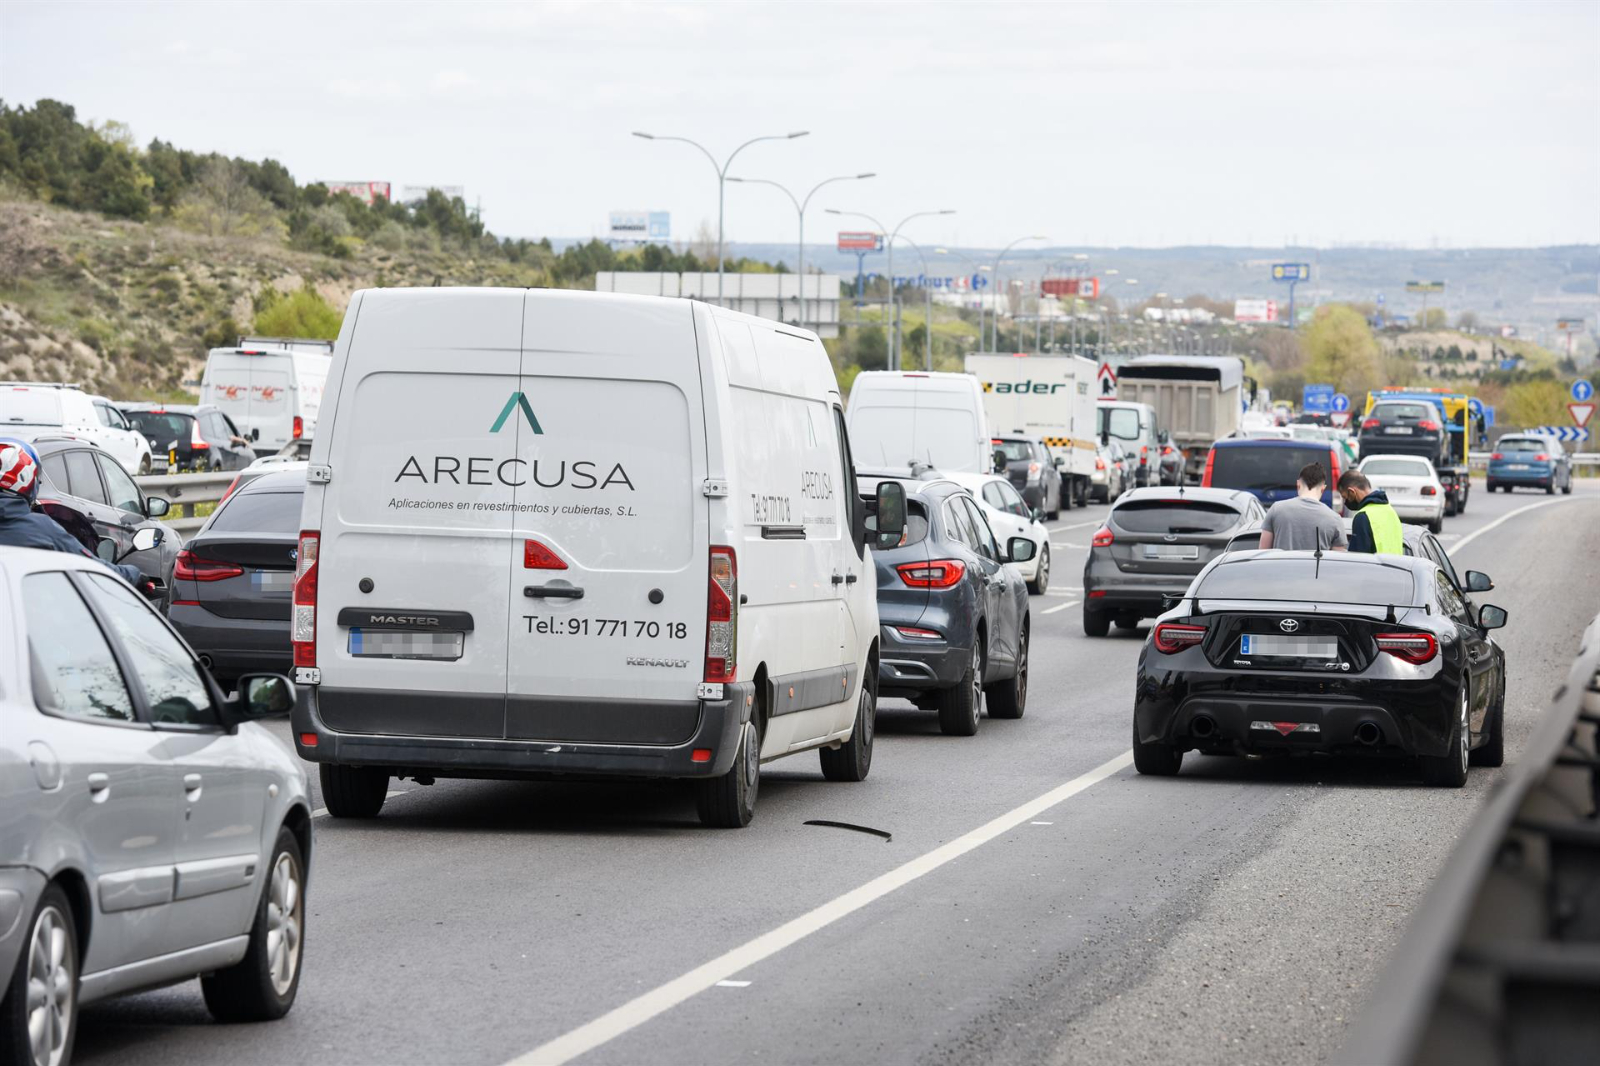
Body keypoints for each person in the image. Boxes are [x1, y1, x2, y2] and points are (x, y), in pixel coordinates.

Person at [0, 438, 146, 583]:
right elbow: (93, 568)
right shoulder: (42, 529)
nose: (39, 482)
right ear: (24, 476)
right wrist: (133, 574)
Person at [1259, 461, 1347, 551]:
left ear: (1298, 485)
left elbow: (1263, 552)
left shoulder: (1276, 509)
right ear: (1323, 489)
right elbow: (1339, 560)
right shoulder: (1335, 519)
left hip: (1282, 565)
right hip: (1317, 565)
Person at [1338, 469, 1404, 555]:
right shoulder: (1390, 511)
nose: (1345, 502)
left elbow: (1356, 558)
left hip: (1376, 568)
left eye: (1345, 497)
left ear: (1352, 492)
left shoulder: (1363, 516)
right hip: (1397, 567)